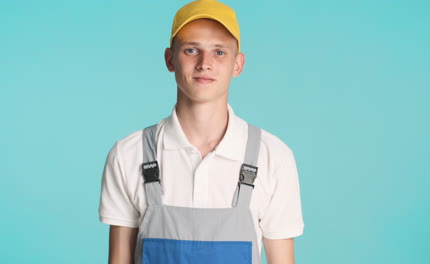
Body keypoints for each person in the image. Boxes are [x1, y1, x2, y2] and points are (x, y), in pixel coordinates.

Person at [98, 0, 304, 263]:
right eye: (191, 50)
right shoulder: (129, 154)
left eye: (219, 52)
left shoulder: (272, 157)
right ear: (170, 59)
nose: (204, 63)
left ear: (238, 64)